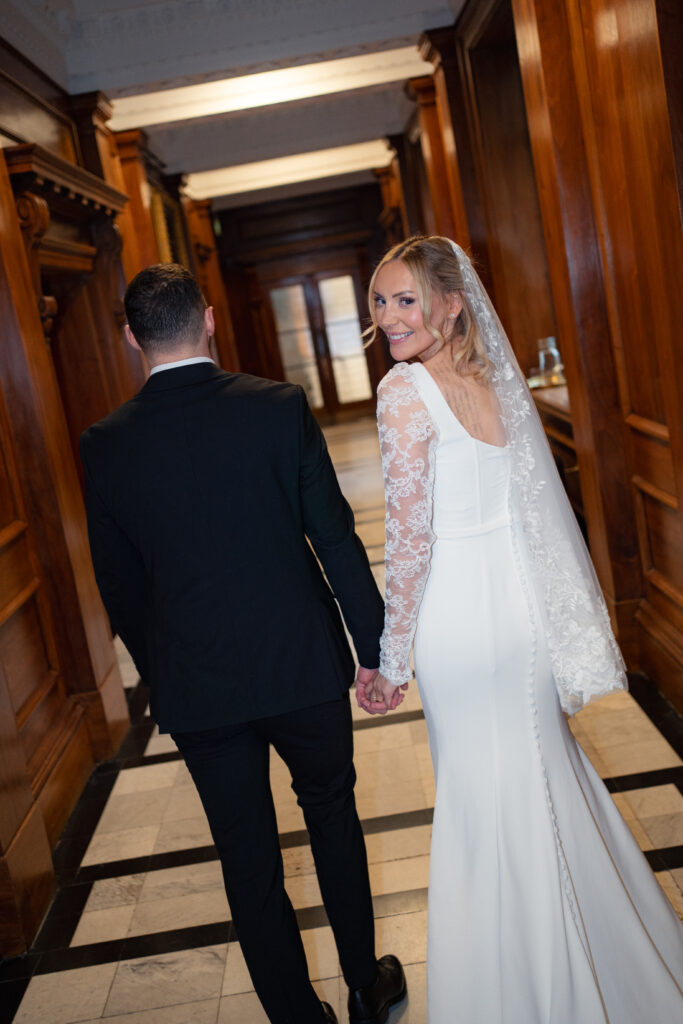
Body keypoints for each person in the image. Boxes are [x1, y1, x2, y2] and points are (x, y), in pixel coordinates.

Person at [356, 236, 683, 1022]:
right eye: (379, 301)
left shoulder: (403, 393)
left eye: (405, 299)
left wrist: (389, 657)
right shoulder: (494, 383)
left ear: (450, 302)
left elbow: (408, 542)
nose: (390, 317)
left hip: (458, 625)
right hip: (520, 616)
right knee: (542, 777)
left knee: (481, 802)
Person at [80, 263, 407, 1024]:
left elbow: (119, 586)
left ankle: (298, 1017)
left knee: (246, 859)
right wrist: (375, 652)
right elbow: (335, 538)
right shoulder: (277, 406)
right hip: (301, 666)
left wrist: (169, 677)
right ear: (211, 318)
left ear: (131, 337)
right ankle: (365, 985)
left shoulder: (105, 444)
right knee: (331, 815)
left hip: (200, 689)